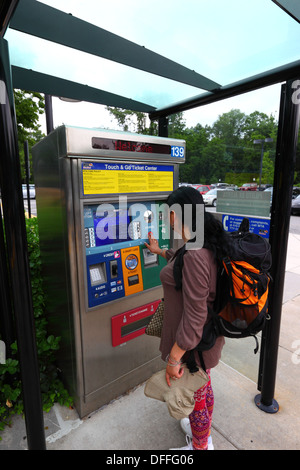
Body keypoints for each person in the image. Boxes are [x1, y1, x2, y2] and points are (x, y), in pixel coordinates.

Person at [145, 186, 233, 450]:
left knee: (195, 397)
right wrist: (160, 252)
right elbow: (185, 267)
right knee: (203, 388)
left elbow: (195, 315)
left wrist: (175, 358)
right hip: (206, 339)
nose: (164, 218)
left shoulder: (195, 253)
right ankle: (203, 439)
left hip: (194, 345)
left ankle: (200, 447)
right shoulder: (201, 243)